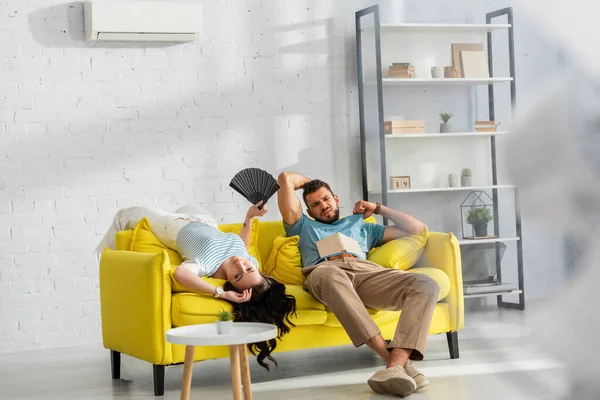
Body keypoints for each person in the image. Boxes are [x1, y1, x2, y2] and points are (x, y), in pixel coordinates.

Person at [277, 172, 440, 398]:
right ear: (309, 212)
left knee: (426, 284)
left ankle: (394, 367)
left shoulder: (362, 225)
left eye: (326, 199)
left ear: (336, 199)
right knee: (332, 276)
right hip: (324, 271)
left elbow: (418, 229)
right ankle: (399, 365)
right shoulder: (301, 226)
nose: (323, 206)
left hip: (365, 272)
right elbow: (285, 179)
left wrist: (379, 208)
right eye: (315, 204)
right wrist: (312, 182)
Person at [96, 202, 297, 368]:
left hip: (174, 226)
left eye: (237, 275)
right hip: (205, 222)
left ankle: (105, 259)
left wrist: (220, 293)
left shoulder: (207, 265)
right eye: (249, 269)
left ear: (229, 283)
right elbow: (242, 248)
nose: (241, 265)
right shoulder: (249, 261)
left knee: (123, 215)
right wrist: (249, 218)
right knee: (188, 205)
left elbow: (180, 273)